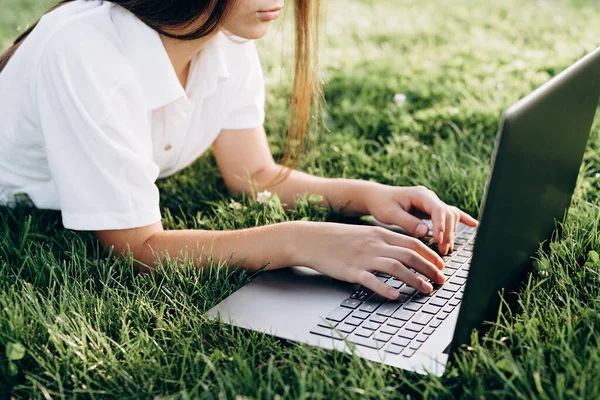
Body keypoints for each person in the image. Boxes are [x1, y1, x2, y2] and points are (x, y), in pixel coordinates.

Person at [0, 0, 477, 301]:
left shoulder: (226, 37)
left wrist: (370, 196)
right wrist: (300, 241)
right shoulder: (84, 50)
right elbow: (133, 246)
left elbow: (254, 174)